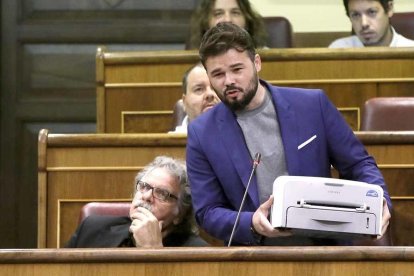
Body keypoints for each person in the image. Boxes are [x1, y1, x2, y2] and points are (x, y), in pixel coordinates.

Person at [186, 22, 392, 246]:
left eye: (237, 69)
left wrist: (380, 200)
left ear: (256, 63)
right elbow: (207, 211)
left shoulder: (312, 106)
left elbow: (358, 164)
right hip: (256, 255)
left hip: (324, 248)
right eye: (218, 74)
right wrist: (251, 222)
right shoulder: (201, 133)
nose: (229, 81)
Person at [66, 156, 207, 248]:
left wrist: (154, 252)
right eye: (144, 186)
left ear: (180, 214)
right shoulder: (92, 228)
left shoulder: (197, 252)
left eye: (162, 193)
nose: (146, 196)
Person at [329, 0, 414, 48]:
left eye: (372, 12)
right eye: (356, 15)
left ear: (389, 9)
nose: (364, 23)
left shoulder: (410, 51)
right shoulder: (338, 50)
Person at [188, 0, 267, 49]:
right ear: (205, 23)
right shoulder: (193, 63)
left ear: (247, 20)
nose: (228, 19)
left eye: (235, 12)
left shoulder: (270, 60)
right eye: (218, 13)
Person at [172, 63, 220, 133]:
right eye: (199, 89)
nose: (210, 94)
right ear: (185, 102)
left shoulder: (240, 137)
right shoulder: (170, 143)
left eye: (215, 88)